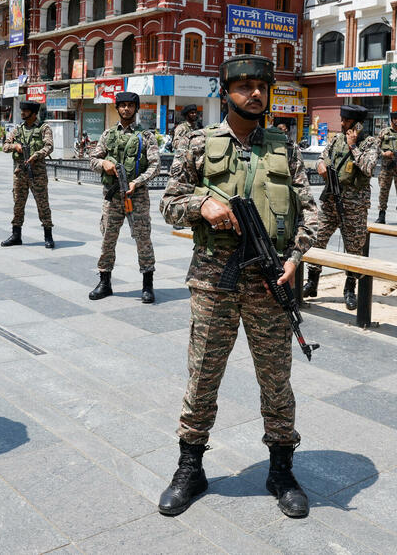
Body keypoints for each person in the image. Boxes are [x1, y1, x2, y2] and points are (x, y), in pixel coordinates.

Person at [158, 54, 318, 519]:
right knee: (203, 375)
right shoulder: (197, 144)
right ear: (225, 91)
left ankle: (281, 469)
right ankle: (190, 466)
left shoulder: (284, 147)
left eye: (261, 86)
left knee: (276, 379)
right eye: (244, 85)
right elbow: (168, 203)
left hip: (270, 284)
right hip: (214, 280)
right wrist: (201, 204)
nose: (254, 93)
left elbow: (311, 211)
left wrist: (294, 257)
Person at [302, 104, 380, 310]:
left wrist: (353, 146)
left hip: (354, 205)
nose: (342, 123)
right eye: (342, 119)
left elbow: (368, 168)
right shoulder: (337, 139)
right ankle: (312, 282)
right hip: (330, 201)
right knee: (317, 240)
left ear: (357, 124)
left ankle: (349, 289)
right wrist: (319, 165)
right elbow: (323, 157)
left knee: (354, 247)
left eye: (346, 121)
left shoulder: (369, 143)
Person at [87, 91, 161, 303]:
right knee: (108, 238)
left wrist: (136, 182)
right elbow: (92, 159)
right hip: (112, 197)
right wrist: (104, 164)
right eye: (122, 105)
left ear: (136, 108)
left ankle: (147, 284)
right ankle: (104, 282)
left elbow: (156, 166)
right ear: (117, 108)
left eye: (130, 105)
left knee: (143, 238)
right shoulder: (108, 135)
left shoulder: (146, 136)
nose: (126, 109)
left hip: (136, 196)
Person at [0, 101, 55, 249]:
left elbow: (49, 146)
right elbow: (5, 146)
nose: (22, 113)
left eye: (25, 110)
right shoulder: (18, 130)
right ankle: (16, 235)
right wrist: (15, 146)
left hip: (38, 174)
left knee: (43, 204)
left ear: (33, 112)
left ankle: (48, 235)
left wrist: (36, 155)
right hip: (20, 173)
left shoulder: (44, 128)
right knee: (18, 204)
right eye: (22, 110)